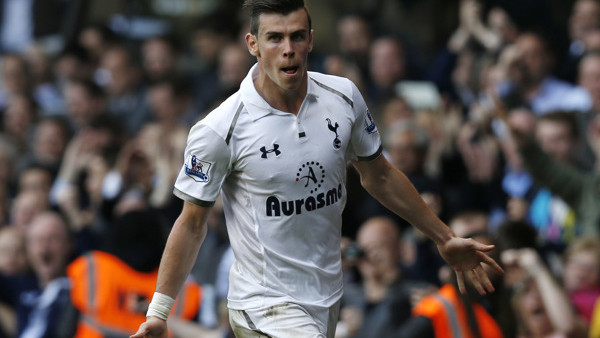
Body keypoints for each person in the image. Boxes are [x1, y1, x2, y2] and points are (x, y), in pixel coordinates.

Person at [132, 1, 503, 337]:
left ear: (311, 39)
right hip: (262, 304)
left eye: (296, 36)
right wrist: (159, 313)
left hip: (326, 297)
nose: (288, 49)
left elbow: (381, 176)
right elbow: (191, 223)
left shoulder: (343, 97)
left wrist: (443, 237)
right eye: (274, 38)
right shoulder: (219, 129)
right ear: (253, 45)